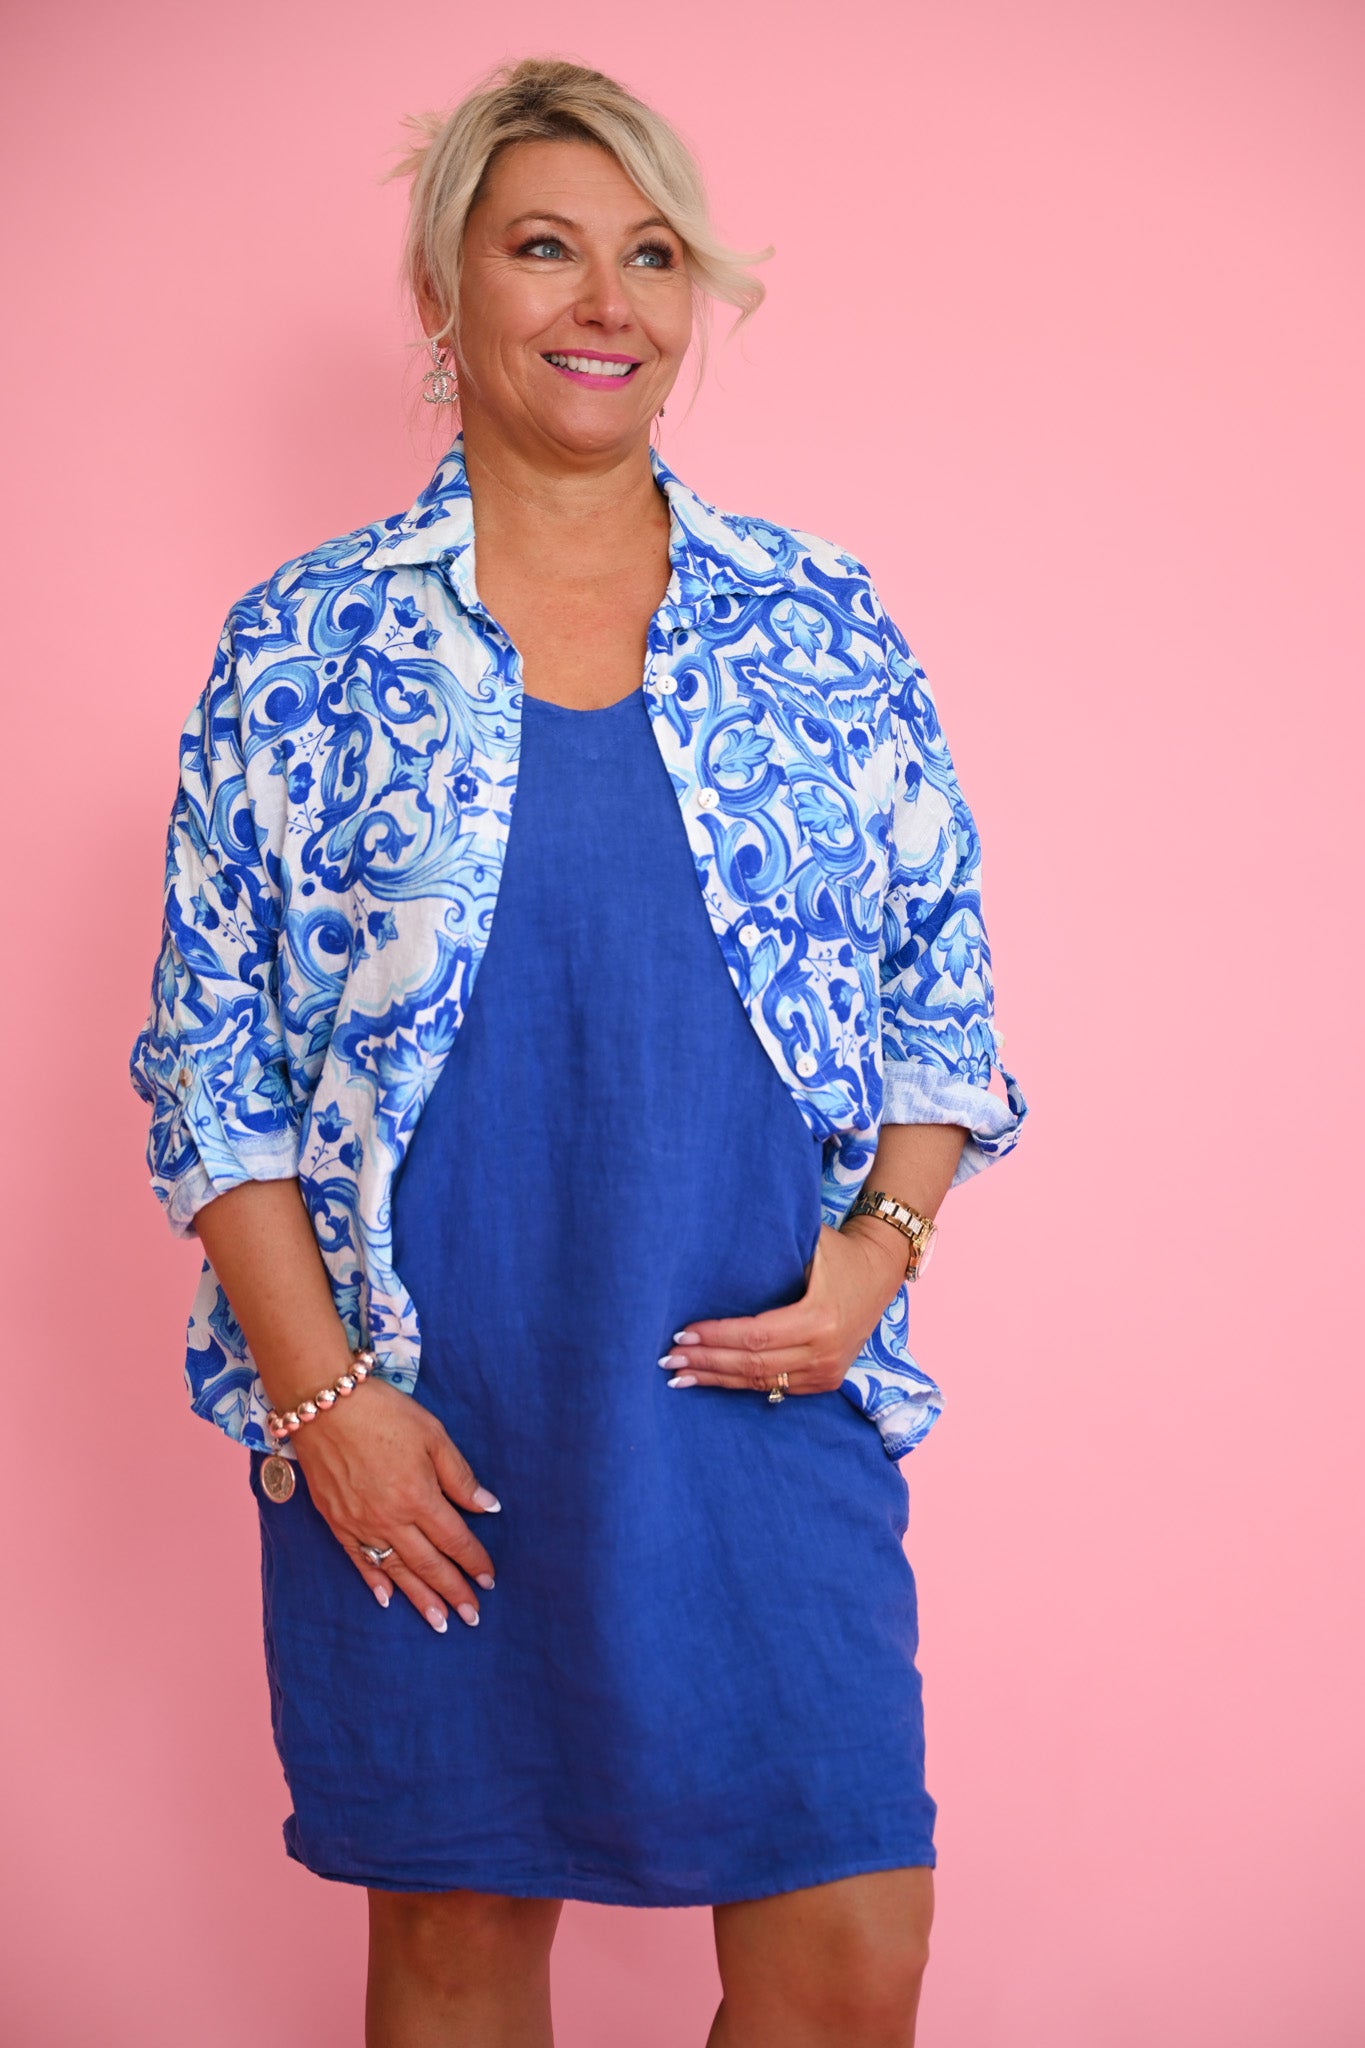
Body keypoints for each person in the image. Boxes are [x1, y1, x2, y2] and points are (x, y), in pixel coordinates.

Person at [130, 55, 1025, 2048]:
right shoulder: (306, 641)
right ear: (441, 290)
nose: (607, 301)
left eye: (652, 255)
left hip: (756, 1403)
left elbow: (942, 1000)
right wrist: (328, 1404)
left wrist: (871, 1264)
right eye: (545, 246)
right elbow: (210, 1067)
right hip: (432, 1419)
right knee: (457, 1956)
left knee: (847, 1954)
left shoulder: (815, 622)